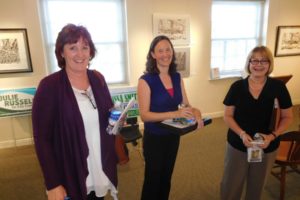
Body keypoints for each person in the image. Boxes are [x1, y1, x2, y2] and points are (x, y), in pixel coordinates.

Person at [32, 24, 119, 200]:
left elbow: (107, 116)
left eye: (84, 47)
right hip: (70, 171)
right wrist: (53, 183)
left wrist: (117, 121)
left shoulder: (98, 79)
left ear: (90, 51)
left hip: (99, 167)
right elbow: (42, 139)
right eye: (73, 48)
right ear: (62, 53)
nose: (80, 54)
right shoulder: (49, 86)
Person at [220, 46, 293, 200]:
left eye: (263, 61)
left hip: (267, 147)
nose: (259, 64)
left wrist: (272, 136)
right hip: (238, 144)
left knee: (257, 188)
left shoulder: (279, 88)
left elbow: (287, 117)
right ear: (249, 63)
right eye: (255, 60)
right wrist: (241, 134)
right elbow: (227, 116)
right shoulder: (237, 87)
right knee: (230, 186)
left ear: (269, 64)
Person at [137, 35, 204, 200]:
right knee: (153, 179)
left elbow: (186, 104)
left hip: (173, 135)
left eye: (168, 49)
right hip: (154, 138)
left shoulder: (177, 77)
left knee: (166, 177)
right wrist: (175, 113)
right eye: (160, 50)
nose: (165, 54)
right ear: (153, 54)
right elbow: (145, 115)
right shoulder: (145, 80)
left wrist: (197, 113)